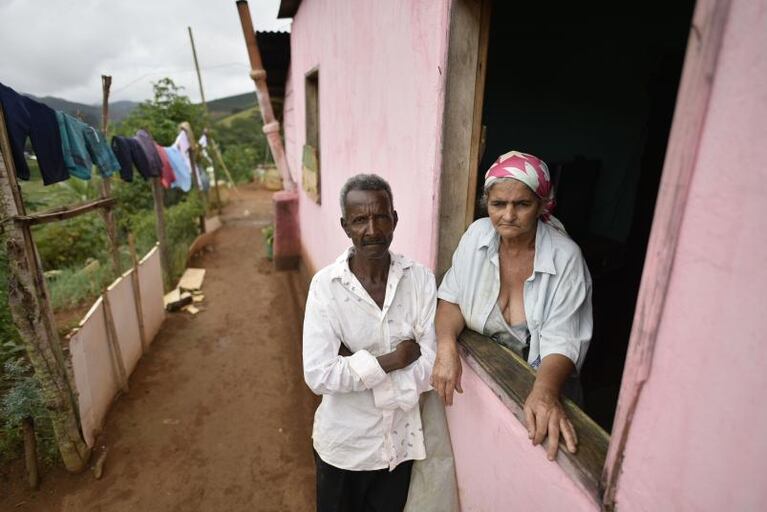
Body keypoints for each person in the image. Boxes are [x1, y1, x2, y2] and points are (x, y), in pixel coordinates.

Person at [432, 150, 592, 461]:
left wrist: (544, 392)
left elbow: (564, 339)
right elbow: (452, 298)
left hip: (546, 386)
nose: (508, 215)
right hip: (486, 393)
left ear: (543, 204)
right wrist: (446, 346)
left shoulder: (565, 258)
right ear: (486, 204)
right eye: (498, 204)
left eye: (522, 204)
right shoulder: (477, 236)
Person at [303, 174, 437, 512]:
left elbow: (430, 366)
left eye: (381, 216)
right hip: (343, 450)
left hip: (398, 449)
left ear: (395, 218)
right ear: (345, 226)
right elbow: (318, 374)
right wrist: (393, 359)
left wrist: (356, 365)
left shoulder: (419, 279)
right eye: (360, 220)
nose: (372, 229)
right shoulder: (326, 287)